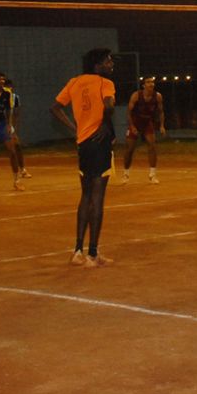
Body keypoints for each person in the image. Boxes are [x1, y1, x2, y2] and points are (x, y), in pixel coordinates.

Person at [53, 48, 118, 267]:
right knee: (97, 199)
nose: (111, 65)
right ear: (97, 65)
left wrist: (75, 128)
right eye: (108, 61)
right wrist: (104, 124)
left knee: (86, 195)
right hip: (99, 144)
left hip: (83, 143)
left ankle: (78, 251)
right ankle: (93, 254)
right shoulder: (104, 83)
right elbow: (109, 106)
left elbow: (55, 108)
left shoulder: (73, 82)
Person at [121, 76, 165, 184]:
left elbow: (161, 111)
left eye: (152, 82)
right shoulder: (136, 96)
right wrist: (132, 126)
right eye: (148, 82)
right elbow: (129, 112)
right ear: (143, 85)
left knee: (152, 145)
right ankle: (126, 174)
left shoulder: (158, 96)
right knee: (130, 149)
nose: (151, 84)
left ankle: (152, 174)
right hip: (135, 122)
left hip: (147, 123)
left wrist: (162, 125)